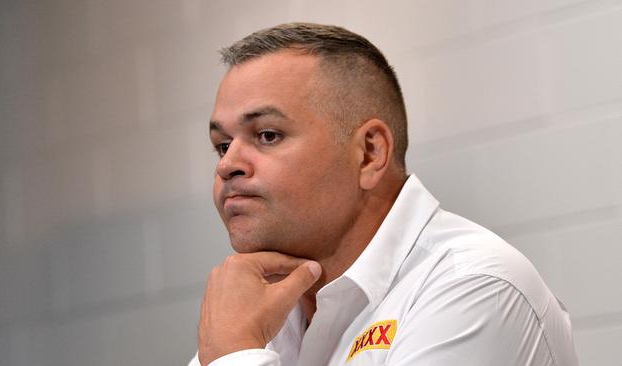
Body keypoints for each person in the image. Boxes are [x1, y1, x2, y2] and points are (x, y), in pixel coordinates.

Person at [189, 22, 578, 366]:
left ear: (370, 154)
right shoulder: (261, 309)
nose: (228, 165)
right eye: (222, 145)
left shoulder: (476, 285)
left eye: (268, 135)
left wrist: (234, 354)